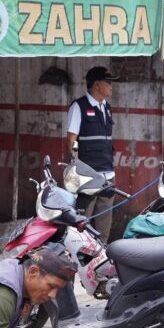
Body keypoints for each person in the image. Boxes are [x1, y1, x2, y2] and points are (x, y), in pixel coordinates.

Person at [65, 66, 118, 239]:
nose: (111, 86)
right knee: (83, 220)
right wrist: (77, 171)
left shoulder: (106, 107)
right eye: (108, 82)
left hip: (107, 174)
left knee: (104, 221)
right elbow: (71, 140)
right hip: (87, 176)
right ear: (96, 85)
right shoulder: (78, 107)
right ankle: (81, 252)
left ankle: (101, 256)